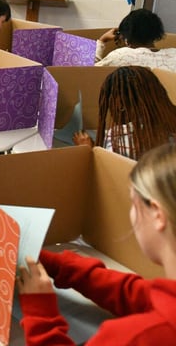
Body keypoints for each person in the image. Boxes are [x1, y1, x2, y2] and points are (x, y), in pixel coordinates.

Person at [17, 141, 176, 345]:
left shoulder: (133, 337)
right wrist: (58, 265)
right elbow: (138, 295)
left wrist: (40, 313)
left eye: (133, 204)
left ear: (157, 214)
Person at [72, 66, 176, 160]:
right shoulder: (169, 126)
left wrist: (89, 151)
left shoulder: (118, 143)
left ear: (120, 105)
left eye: (110, 103)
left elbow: (107, 173)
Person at [95, 8, 176, 70]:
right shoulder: (173, 54)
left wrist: (102, 40)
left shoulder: (120, 55)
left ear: (125, 37)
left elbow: (87, 70)